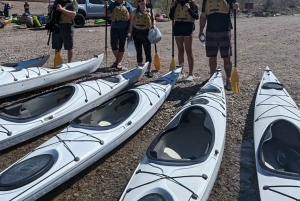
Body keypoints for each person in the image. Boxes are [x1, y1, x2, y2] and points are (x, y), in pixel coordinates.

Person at [199, 0, 240, 91]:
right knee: (212, 57)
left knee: (226, 57)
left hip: (225, 31)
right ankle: (212, 78)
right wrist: (201, 31)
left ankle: (228, 79)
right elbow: (203, 16)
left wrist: (236, 8)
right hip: (210, 31)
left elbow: (235, 11)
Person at [169, 0, 199, 81]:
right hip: (178, 27)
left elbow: (196, 16)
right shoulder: (175, 4)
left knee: (189, 51)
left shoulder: (192, 4)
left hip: (188, 28)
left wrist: (189, 9)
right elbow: (171, 17)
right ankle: (181, 72)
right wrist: (172, 8)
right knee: (180, 50)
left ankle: (190, 74)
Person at [129, 0, 155, 78]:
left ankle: (149, 70)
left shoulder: (149, 12)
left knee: (148, 52)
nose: (141, 2)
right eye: (139, 1)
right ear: (138, 3)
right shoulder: (134, 12)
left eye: (142, 1)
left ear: (145, 1)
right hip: (136, 33)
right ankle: (140, 68)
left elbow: (154, 21)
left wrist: (153, 25)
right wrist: (130, 34)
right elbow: (131, 24)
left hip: (146, 33)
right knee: (139, 51)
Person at [105, 0, 134, 70]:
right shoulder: (112, 5)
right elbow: (106, 14)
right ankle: (118, 60)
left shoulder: (128, 5)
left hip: (124, 28)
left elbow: (131, 18)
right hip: (114, 27)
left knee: (122, 44)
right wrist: (105, 6)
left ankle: (119, 62)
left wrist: (130, 28)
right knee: (113, 45)